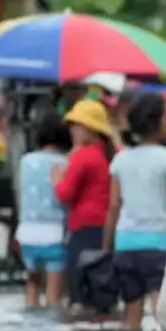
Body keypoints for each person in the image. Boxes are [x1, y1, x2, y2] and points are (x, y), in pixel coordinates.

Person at [105, 93, 166, 331]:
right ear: (156, 122)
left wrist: (106, 246)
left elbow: (113, 207)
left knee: (131, 314)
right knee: (163, 314)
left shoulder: (120, 159)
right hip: (158, 245)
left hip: (126, 244)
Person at [53, 99, 118, 316]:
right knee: (101, 290)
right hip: (106, 229)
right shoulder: (110, 154)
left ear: (89, 130)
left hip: (82, 230)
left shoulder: (83, 156)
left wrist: (57, 179)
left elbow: (65, 194)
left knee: (79, 297)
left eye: (77, 126)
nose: (72, 131)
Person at [17, 112, 72, 309]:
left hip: (27, 232)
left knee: (32, 286)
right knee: (53, 295)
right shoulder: (66, 163)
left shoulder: (25, 161)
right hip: (54, 232)